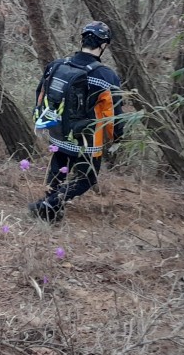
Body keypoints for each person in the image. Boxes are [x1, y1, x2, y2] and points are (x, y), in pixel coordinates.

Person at [29, 21, 123, 223]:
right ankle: (49, 204)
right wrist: (115, 135)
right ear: (104, 45)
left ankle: (50, 212)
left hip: (57, 129)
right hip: (86, 138)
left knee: (58, 166)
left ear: (82, 40)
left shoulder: (56, 65)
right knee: (87, 178)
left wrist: (42, 120)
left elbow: (41, 95)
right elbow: (113, 112)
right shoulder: (106, 76)